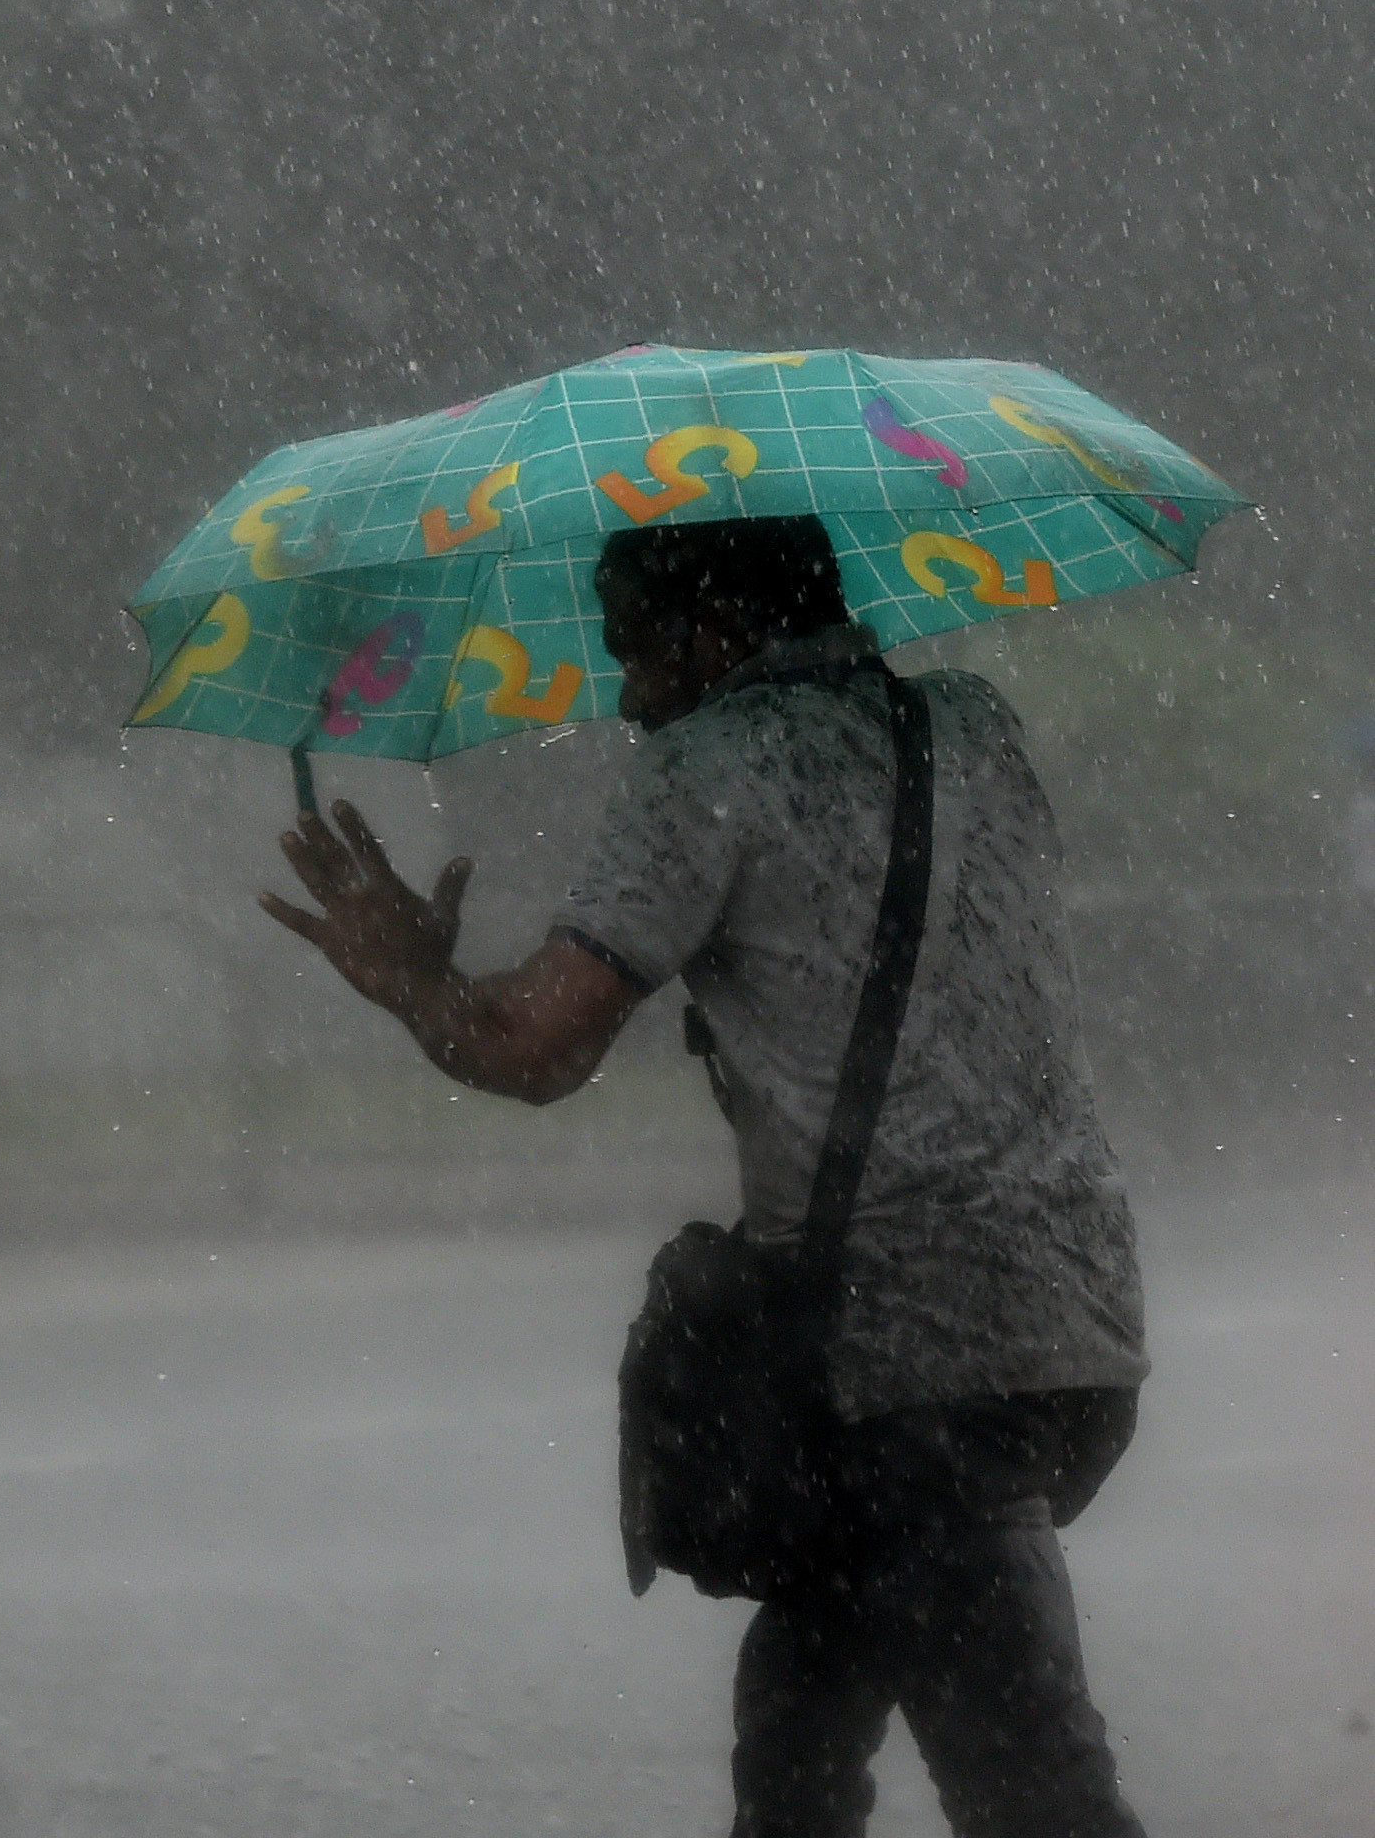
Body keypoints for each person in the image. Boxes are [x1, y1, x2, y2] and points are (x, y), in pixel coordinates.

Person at [260, 515, 1150, 1838]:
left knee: (1033, 1796)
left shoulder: (707, 767)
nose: (624, 693)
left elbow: (535, 1046)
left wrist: (414, 984)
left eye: (632, 650)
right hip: (1072, 1320)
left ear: (711, 630)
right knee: (796, 1739)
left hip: (901, 1366)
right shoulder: (971, 725)